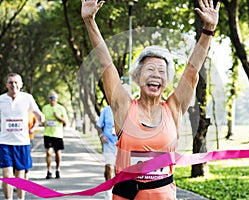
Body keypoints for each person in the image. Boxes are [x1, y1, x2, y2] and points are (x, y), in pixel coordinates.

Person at [82, 0, 220, 199]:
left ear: (166, 80)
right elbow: (106, 64)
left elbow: (192, 70)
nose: (156, 75)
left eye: (161, 71)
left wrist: (208, 30)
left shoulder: (173, 108)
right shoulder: (124, 108)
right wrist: (89, 21)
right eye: (150, 69)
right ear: (137, 76)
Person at [0, 73, 45, 200]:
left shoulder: (27, 98)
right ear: (6, 85)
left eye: (16, 82)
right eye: (10, 82)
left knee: (20, 176)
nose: (13, 85)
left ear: (21, 84)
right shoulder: (1, 99)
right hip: (5, 142)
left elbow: (37, 113)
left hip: (22, 142)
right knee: (7, 175)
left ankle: (20, 199)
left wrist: (41, 118)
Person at [42, 91, 68, 179]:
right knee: (48, 152)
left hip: (58, 134)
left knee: (58, 153)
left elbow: (65, 122)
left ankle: (58, 169)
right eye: (51, 98)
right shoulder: (45, 108)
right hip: (47, 133)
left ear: (56, 99)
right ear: (49, 99)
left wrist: (58, 117)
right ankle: (49, 170)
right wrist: (44, 122)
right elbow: (42, 120)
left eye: (54, 98)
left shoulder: (61, 108)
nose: (52, 100)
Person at [96, 105, 118, 200]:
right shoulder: (106, 110)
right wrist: (101, 136)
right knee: (109, 167)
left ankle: (117, 190)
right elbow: (98, 125)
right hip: (109, 143)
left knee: (119, 169)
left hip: (121, 144)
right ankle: (108, 190)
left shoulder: (125, 107)